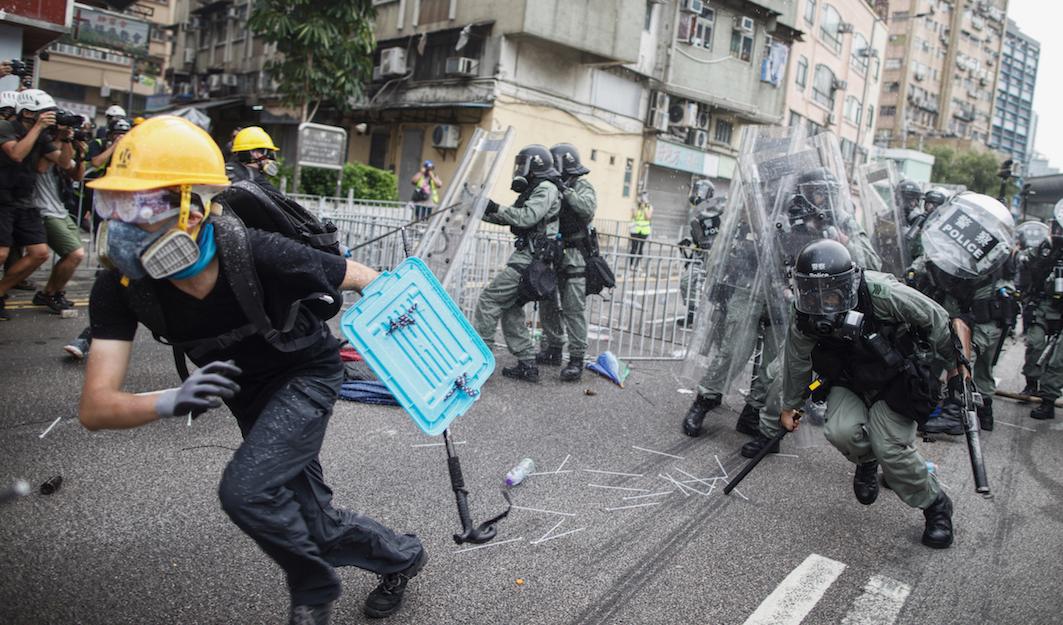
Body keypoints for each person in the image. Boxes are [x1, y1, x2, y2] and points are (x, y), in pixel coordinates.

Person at [77, 116, 426, 624]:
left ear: (193, 210)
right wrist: (170, 399)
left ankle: (313, 586)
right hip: (245, 393)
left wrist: (430, 362)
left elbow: (369, 281)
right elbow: (95, 406)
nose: (122, 226)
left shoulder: (256, 250)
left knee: (246, 491)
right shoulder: (122, 287)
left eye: (142, 205)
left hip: (304, 375)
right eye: (113, 206)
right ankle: (402, 556)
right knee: (310, 519)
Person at [779, 239, 957, 549]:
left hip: (895, 379)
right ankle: (866, 461)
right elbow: (796, 361)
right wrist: (791, 405)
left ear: (846, 283)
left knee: (892, 449)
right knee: (841, 432)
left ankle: (935, 505)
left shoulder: (882, 294)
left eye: (830, 293)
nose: (821, 302)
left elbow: (936, 318)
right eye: (812, 292)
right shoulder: (805, 313)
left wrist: (956, 367)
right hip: (848, 381)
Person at [906, 193, 1016, 433]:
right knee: (942, 353)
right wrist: (913, 275)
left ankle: (957, 411)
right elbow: (928, 258)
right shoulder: (953, 236)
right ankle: (977, 413)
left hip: (985, 317)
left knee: (963, 356)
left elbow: (987, 309)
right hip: (958, 310)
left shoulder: (993, 253)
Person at [474, 144, 563, 382]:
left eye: (522, 164)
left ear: (533, 166)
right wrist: (479, 209)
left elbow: (527, 217)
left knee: (490, 299)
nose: (519, 170)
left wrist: (494, 207)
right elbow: (508, 216)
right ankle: (527, 363)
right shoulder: (535, 188)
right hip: (530, 257)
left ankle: (479, 359)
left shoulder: (546, 188)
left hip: (531, 260)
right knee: (511, 307)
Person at [0, 89, 64, 320]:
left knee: (39, 253)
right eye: (44, 114)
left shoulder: (44, 136)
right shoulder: (6, 128)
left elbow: (65, 163)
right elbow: (16, 154)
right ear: (27, 113)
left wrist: (66, 139)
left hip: (24, 201)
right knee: (1, 254)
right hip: (2, 199)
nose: (49, 117)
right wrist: (38, 128)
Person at [535, 143, 596, 382]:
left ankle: (577, 359)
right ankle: (553, 348)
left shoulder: (581, 185)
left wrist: (566, 191)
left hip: (574, 256)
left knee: (572, 309)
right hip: (553, 254)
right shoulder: (551, 187)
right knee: (547, 303)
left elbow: (587, 209)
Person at [29, 108, 85, 314]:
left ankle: (50, 293)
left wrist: (76, 149)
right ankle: (51, 293)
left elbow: (74, 172)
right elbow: (43, 167)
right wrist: (60, 138)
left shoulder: (60, 144)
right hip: (43, 209)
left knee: (74, 255)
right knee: (75, 254)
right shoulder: (42, 143)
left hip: (59, 209)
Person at [1023, 201, 1063, 419]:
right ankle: (1031, 382)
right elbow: (1025, 262)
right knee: (1035, 343)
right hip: (1043, 304)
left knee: (1058, 359)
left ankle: (1048, 401)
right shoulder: (1046, 247)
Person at [678, 180, 721, 327]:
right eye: (696, 190)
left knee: (710, 290)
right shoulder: (696, 213)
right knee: (686, 283)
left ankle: (709, 322)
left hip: (713, 257)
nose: (696, 194)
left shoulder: (715, 211)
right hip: (699, 256)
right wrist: (688, 241)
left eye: (699, 191)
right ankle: (691, 315)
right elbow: (699, 238)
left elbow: (713, 236)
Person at [628, 192, 652, 270]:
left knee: (640, 248)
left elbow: (648, 217)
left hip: (644, 230)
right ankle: (631, 265)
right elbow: (634, 216)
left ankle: (637, 265)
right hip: (635, 229)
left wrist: (644, 207)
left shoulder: (649, 207)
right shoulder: (635, 206)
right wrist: (636, 207)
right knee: (634, 247)